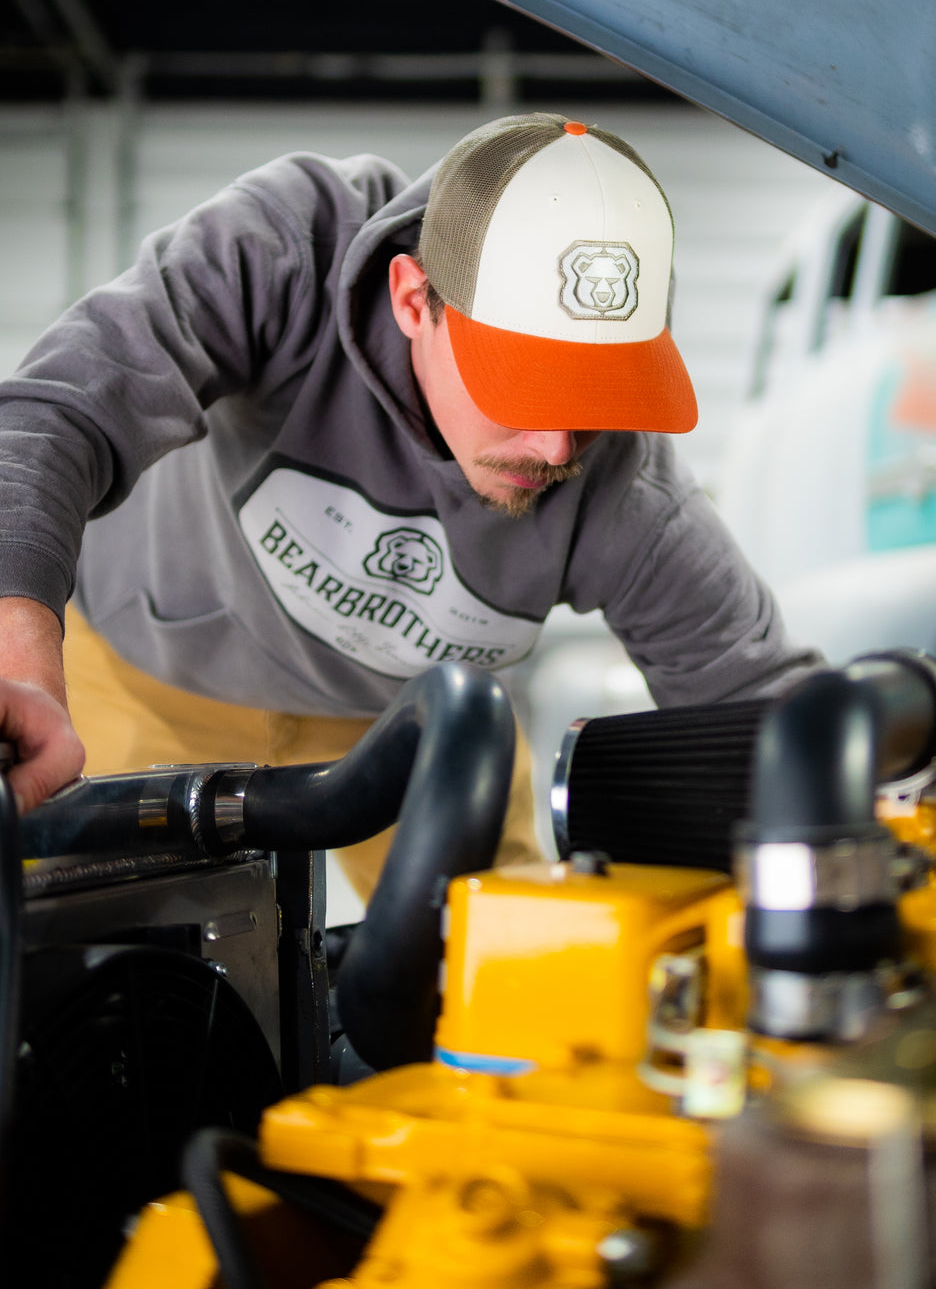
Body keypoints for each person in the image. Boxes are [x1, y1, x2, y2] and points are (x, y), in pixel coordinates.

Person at [0, 112, 817, 890]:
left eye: (595, 393)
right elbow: (57, 417)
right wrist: (22, 674)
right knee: (103, 964)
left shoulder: (625, 489)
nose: (558, 449)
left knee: (500, 976)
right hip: (148, 675)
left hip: (410, 724)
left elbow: (758, 709)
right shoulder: (284, 251)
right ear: (414, 299)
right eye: (525, 386)